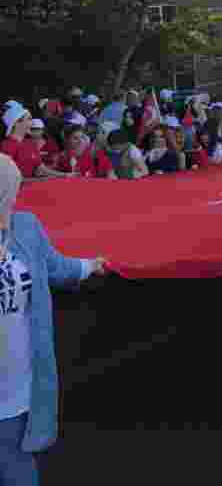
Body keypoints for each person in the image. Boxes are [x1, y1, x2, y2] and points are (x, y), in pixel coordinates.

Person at [0, 154, 108, 484]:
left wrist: (90, 265)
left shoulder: (26, 228)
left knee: (16, 465)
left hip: (15, 389)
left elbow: (56, 267)